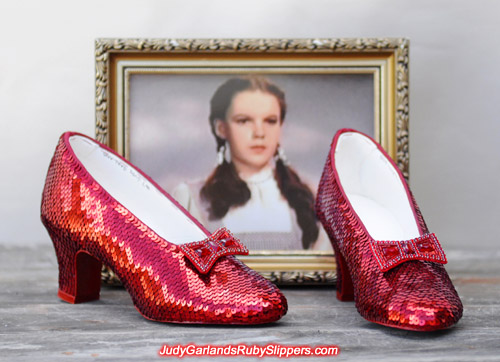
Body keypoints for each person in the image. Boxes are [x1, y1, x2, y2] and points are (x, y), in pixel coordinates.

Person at [173, 75, 320, 250]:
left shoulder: (308, 198)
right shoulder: (191, 199)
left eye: (270, 121)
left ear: (281, 126)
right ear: (221, 128)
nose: (259, 133)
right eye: (244, 121)